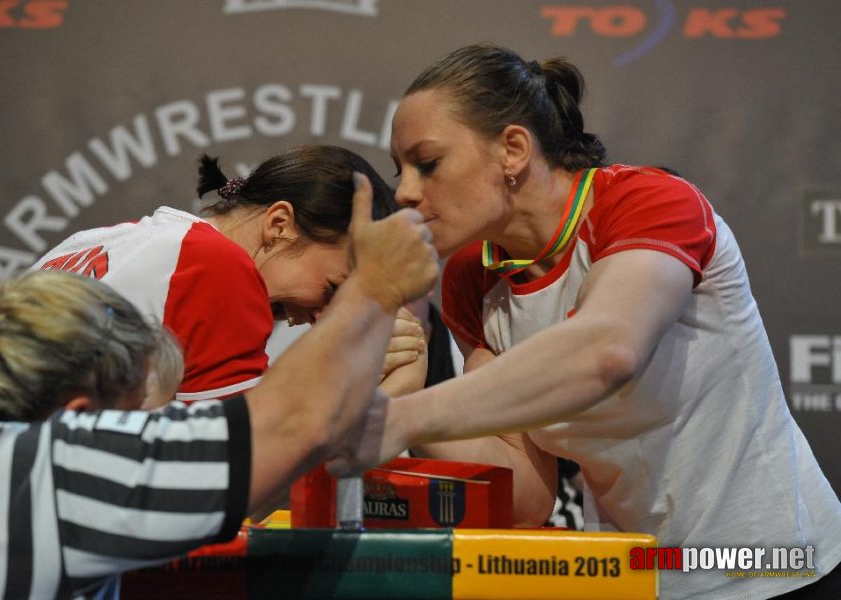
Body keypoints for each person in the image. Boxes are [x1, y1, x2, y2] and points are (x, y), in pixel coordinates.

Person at [328, 43, 841, 599]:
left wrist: (403, 417)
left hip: (777, 568)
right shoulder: (471, 278)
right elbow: (525, 496)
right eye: (398, 170)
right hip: (635, 579)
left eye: (427, 164)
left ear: (514, 150)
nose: (404, 191)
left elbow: (607, 350)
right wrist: (410, 390)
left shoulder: (644, 201)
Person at [0, 175, 438, 598]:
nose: (317, 315)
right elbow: (258, 469)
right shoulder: (58, 472)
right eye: (134, 425)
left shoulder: (109, 238)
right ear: (77, 417)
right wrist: (371, 322)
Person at [35, 145, 425, 403]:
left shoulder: (96, 240)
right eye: (331, 289)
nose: (311, 317)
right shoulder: (216, 265)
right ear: (279, 224)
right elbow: (237, 473)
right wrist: (352, 379)